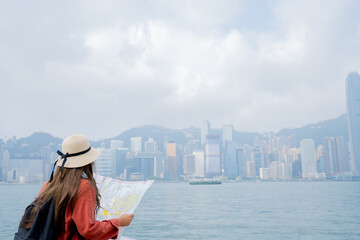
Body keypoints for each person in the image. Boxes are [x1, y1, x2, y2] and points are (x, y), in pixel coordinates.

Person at [22, 134, 134, 239]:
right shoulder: (84, 186)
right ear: (88, 161)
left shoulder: (49, 184)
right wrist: (118, 222)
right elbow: (87, 229)